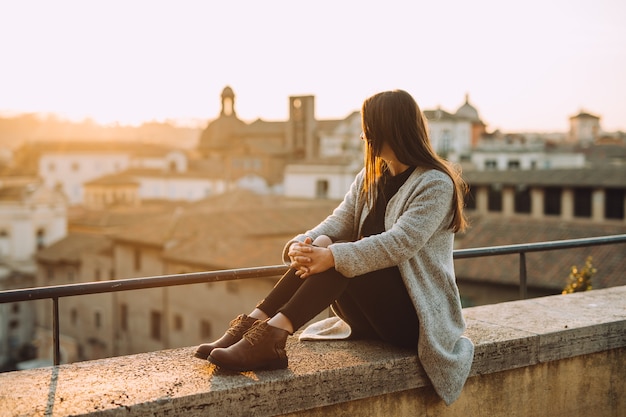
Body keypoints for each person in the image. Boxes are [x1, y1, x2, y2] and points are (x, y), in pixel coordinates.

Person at [194, 89, 474, 405]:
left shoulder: (435, 183)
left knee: (338, 252)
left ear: (391, 128)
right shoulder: (370, 177)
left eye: (370, 128)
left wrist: (330, 255)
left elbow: (400, 244)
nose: (364, 135)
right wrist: (303, 245)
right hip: (371, 316)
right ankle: (257, 322)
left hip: (416, 321)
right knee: (328, 243)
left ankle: (271, 337)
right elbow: (336, 222)